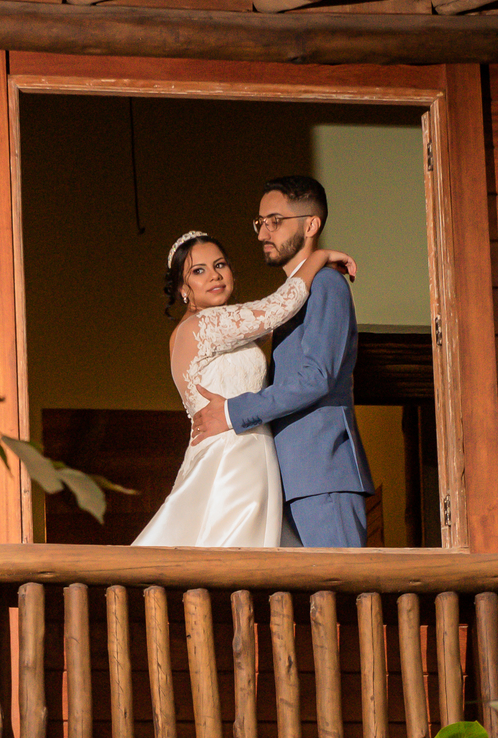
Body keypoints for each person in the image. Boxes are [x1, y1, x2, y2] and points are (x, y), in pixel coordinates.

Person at [133, 229, 355, 548]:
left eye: (219, 265)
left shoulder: (226, 328)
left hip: (251, 451)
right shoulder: (201, 326)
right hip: (232, 459)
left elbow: (279, 321)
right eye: (198, 271)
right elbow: (278, 307)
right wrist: (318, 256)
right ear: (183, 288)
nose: (214, 275)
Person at [189, 176, 374, 548]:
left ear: (311, 225)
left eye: (274, 221)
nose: (262, 233)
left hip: (323, 475)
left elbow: (317, 376)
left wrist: (232, 412)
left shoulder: (327, 285)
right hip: (288, 478)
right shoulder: (293, 297)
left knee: (340, 584)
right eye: (260, 223)